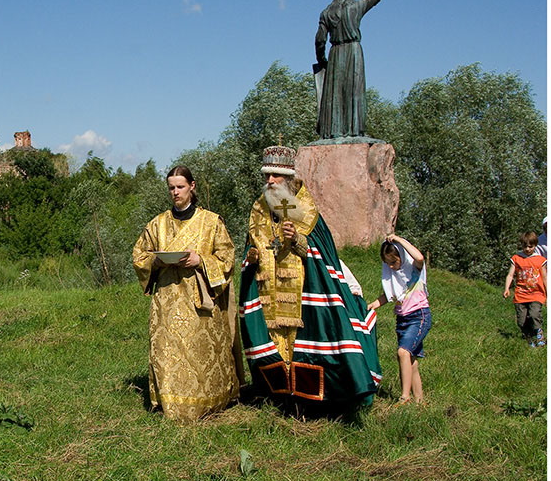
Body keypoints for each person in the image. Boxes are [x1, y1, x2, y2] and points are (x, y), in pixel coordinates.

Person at [238, 145, 382, 407]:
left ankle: (306, 398)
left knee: (299, 344)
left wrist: (298, 241)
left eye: (276, 176)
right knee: (272, 342)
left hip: (301, 292)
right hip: (267, 290)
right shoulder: (258, 208)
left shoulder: (304, 207)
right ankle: (278, 395)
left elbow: (321, 250)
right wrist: (252, 257)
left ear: (289, 178)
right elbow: (252, 243)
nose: (270, 181)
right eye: (267, 175)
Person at [132, 166, 243, 422]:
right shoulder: (158, 224)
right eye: (171, 187)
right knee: (167, 352)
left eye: (180, 187)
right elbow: (140, 255)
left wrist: (200, 260)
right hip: (167, 302)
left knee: (200, 352)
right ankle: (169, 403)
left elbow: (227, 259)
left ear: (192, 187)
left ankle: (211, 401)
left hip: (199, 300)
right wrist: (157, 262)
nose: (175, 192)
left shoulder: (211, 222)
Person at [315, 0, 388, 139]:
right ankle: (355, 131)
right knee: (354, 91)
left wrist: (321, 60)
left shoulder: (326, 13)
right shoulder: (356, 7)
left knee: (335, 96)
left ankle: (334, 131)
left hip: (335, 53)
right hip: (354, 52)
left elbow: (320, 40)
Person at [367, 235, 431, 405]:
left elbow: (420, 257)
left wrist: (398, 240)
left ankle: (404, 398)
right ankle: (420, 401)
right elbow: (391, 295)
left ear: (401, 257)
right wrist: (374, 304)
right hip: (402, 320)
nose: (390, 266)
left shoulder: (414, 267)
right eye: (387, 262)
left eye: (393, 261)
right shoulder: (392, 275)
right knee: (411, 361)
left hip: (419, 316)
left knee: (403, 353)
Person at [503, 231, 547, 347]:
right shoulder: (517, 258)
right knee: (521, 321)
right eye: (525, 246)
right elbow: (510, 275)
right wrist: (507, 288)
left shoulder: (540, 260)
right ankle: (528, 337)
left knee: (534, 314)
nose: (527, 249)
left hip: (536, 293)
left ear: (535, 246)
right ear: (521, 245)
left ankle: (538, 332)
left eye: (530, 247)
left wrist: (548, 294)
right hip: (521, 294)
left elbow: (545, 277)